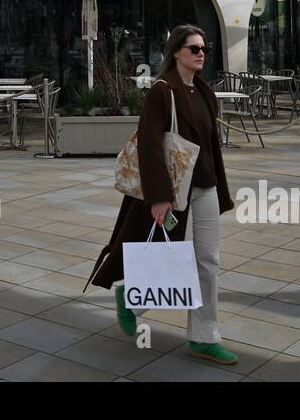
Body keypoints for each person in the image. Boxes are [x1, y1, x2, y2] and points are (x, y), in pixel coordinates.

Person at [88, 23, 238, 367]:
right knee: (173, 259)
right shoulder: (162, 91)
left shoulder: (204, 91)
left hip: (207, 187)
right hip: (176, 191)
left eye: (204, 49)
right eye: (194, 49)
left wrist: (219, 185)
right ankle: (133, 299)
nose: (201, 54)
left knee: (209, 263)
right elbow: (151, 147)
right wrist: (159, 196)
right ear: (176, 53)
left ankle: (204, 337)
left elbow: (211, 147)